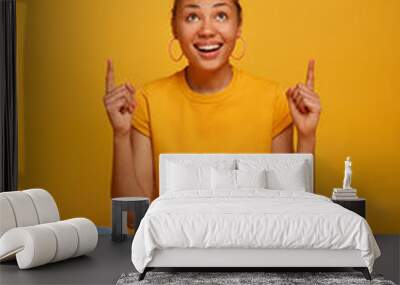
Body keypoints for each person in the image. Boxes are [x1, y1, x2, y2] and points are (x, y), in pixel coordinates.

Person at [103, 0, 322, 201]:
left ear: (238, 27)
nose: (207, 31)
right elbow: (132, 217)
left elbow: (288, 207)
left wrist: (306, 136)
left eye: (220, 15)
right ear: (174, 28)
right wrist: (120, 135)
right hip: (177, 241)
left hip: (251, 239)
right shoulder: (148, 101)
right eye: (192, 17)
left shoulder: (274, 99)